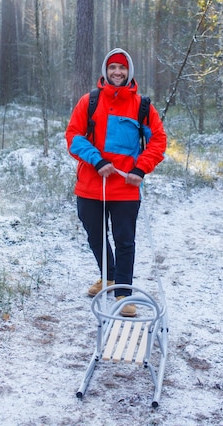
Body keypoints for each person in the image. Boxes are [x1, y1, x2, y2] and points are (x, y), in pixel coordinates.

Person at [65, 48, 167, 317]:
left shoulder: (143, 106)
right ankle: (108, 275)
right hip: (91, 183)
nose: (117, 72)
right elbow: (73, 136)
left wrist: (141, 168)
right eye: (112, 68)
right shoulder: (89, 101)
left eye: (122, 68)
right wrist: (97, 161)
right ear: (105, 71)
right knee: (95, 235)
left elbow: (158, 140)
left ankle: (123, 293)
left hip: (126, 187)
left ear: (129, 71)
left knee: (124, 241)